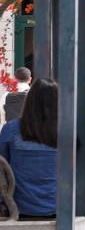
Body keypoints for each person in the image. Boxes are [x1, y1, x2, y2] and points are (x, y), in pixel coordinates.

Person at [0, 78, 59, 219]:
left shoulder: (11, 129)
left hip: (19, 208)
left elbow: (2, 168)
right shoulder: (67, 131)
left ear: (29, 101)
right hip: (59, 208)